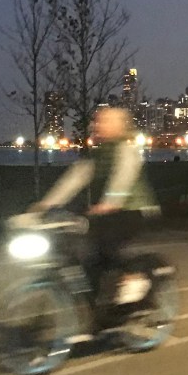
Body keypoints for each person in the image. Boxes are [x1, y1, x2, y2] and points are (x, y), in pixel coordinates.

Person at [31, 107, 159, 304]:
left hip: (135, 210)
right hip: (109, 212)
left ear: (119, 126)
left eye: (105, 122)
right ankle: (98, 299)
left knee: (105, 246)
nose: (97, 125)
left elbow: (123, 176)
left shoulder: (126, 149)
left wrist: (111, 202)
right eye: (97, 121)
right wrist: (47, 203)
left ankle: (134, 278)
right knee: (83, 248)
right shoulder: (98, 154)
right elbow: (75, 178)